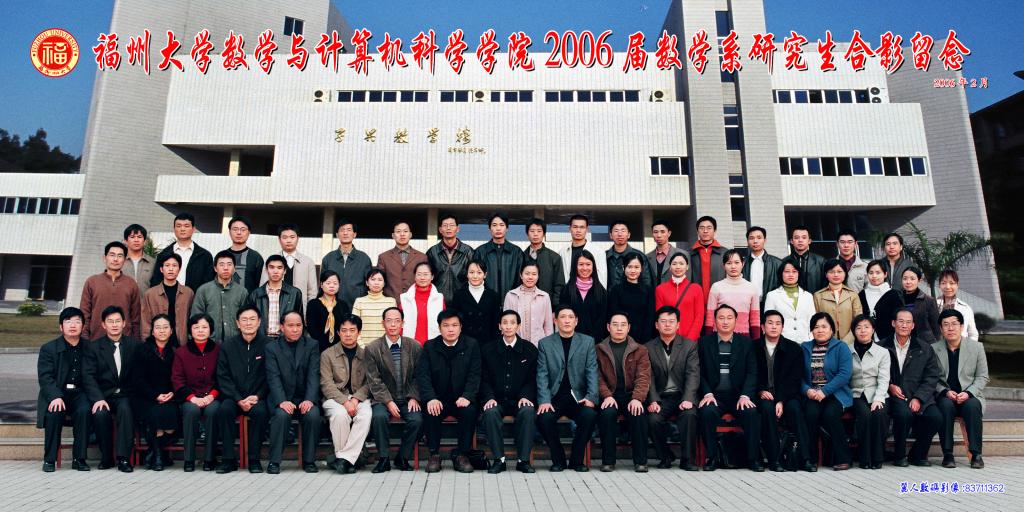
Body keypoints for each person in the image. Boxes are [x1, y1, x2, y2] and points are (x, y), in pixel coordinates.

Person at [697, 305, 762, 472]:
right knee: (706, 412)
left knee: (751, 413)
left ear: (736, 320)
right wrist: (707, 393)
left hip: (738, 395)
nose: (725, 322)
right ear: (714, 321)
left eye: (729, 318)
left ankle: (753, 459)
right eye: (721, 318)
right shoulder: (704, 343)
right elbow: (699, 372)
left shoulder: (746, 343)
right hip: (715, 395)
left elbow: (752, 372)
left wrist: (746, 395)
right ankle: (712, 457)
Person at [417, 310, 482, 473]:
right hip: (438, 398)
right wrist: (430, 398)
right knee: (431, 410)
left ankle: (462, 454)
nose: (450, 329)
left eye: (454, 325)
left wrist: (467, 396)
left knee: (469, 411)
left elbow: (475, 374)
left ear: (461, 327)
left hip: (462, 398)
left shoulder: (471, 345)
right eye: (446, 325)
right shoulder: (430, 346)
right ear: (439, 328)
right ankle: (434, 454)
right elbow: (423, 375)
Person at [536, 305, 599, 472]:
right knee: (544, 418)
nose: (566, 321)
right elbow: (542, 374)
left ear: (576, 321)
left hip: (578, 397)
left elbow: (592, 371)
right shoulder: (545, 344)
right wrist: (544, 400)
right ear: (555, 321)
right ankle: (558, 460)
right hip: (554, 397)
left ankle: (577, 460)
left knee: (589, 416)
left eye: (570, 317)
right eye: (562, 317)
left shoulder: (587, 342)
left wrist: (591, 397)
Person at [877, 308, 942, 466]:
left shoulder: (924, 348)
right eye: (901, 321)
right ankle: (899, 455)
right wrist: (889, 386)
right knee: (903, 414)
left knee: (935, 417)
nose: (904, 325)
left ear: (913, 326)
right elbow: (874, 373)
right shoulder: (881, 346)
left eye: (908, 322)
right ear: (893, 323)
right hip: (894, 395)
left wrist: (919, 398)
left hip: (918, 394)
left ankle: (918, 454)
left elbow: (932, 376)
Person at [479, 310, 539, 474]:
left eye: (512, 323)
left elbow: (533, 378)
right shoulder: (488, 349)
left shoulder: (529, 349)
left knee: (528, 411)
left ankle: (523, 460)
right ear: (499, 326)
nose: (508, 326)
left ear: (518, 326)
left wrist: (526, 396)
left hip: (520, 399)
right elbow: (483, 378)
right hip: (497, 399)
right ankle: (499, 460)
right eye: (504, 323)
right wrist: (489, 397)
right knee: (490, 412)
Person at [365, 307, 423, 473]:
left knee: (417, 420)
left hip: (407, 397)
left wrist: (414, 397)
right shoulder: (373, 348)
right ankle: (383, 459)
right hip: (382, 399)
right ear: (383, 323)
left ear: (402, 323)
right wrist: (388, 401)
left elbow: (419, 376)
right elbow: (374, 380)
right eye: (389, 321)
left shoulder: (414, 346)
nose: (393, 325)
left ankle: (402, 457)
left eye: (397, 321)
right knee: (379, 417)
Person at [84, 306, 140, 472]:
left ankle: (123, 458)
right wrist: (98, 398)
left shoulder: (135, 345)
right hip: (103, 395)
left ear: (124, 323)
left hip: (126, 395)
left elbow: (140, 374)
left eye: (117, 321)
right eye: (110, 321)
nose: (114, 325)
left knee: (126, 409)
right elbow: (88, 376)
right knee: (100, 413)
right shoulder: (94, 347)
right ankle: (107, 456)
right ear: (103, 324)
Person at [214, 305, 269, 474]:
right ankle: (228, 460)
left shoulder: (269, 345)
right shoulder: (227, 346)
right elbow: (222, 376)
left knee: (261, 413)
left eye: (252, 319)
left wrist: (258, 396)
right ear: (238, 323)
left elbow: (272, 376)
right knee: (224, 410)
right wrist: (238, 398)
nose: (248, 323)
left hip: (258, 397)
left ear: (259, 322)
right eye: (244, 320)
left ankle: (254, 459)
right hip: (233, 397)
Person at [754, 310, 811, 472]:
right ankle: (774, 459)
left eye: (778, 323)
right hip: (762, 394)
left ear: (782, 327)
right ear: (763, 327)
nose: (774, 327)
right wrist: (760, 391)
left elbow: (795, 379)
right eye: (770, 323)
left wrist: (781, 400)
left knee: (795, 409)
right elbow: (750, 374)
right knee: (766, 409)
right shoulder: (753, 347)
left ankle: (805, 458)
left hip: (787, 395)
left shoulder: (794, 349)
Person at [37, 308, 93, 472]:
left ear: (83, 326)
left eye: (77, 321)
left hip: (80, 393)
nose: (73, 325)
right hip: (58, 393)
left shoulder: (90, 348)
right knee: (55, 412)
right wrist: (55, 396)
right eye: (68, 322)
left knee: (84, 410)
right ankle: (49, 459)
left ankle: (79, 459)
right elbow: (45, 377)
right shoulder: (48, 348)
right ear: (61, 327)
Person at [265, 311, 321, 474]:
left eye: (298, 325)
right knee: (281, 415)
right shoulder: (272, 348)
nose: (295, 329)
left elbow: (314, 374)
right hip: (283, 397)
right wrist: (281, 401)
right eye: (290, 325)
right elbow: (273, 376)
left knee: (313, 415)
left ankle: (309, 460)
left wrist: (309, 399)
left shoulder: (312, 345)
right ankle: (274, 461)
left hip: (304, 397)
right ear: (282, 327)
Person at [645, 306, 700, 471]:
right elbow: (648, 377)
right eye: (663, 321)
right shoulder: (647, 347)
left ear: (678, 325)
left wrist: (688, 399)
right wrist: (653, 400)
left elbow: (693, 374)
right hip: (662, 397)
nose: (667, 325)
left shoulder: (689, 346)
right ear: (656, 325)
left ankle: (687, 460)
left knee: (689, 415)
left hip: (682, 395)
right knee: (653, 419)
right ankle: (665, 456)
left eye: (671, 321)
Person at [934, 309, 989, 469]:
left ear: (962, 326)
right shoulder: (934, 349)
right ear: (941, 328)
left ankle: (976, 454)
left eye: (954, 324)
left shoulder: (977, 347)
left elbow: (982, 376)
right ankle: (948, 454)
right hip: (946, 396)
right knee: (945, 406)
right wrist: (945, 391)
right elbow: (931, 378)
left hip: (969, 395)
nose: (950, 328)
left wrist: (968, 393)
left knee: (972, 406)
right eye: (946, 325)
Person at [596, 312, 651, 472]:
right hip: (610, 396)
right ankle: (608, 461)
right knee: (607, 414)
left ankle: (641, 461)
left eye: (623, 325)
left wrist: (637, 398)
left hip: (631, 395)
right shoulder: (598, 349)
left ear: (629, 328)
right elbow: (596, 377)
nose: (619, 328)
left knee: (638, 413)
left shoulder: (640, 350)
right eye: (615, 324)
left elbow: (644, 377)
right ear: (608, 327)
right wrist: (607, 396)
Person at [800, 312, 853, 471]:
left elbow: (844, 374)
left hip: (835, 394)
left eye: (824, 326)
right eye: (816, 327)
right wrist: (807, 390)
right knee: (810, 414)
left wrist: (824, 391)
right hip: (812, 394)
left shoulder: (841, 347)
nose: (820, 330)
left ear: (832, 329)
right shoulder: (804, 348)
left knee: (830, 414)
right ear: (811, 330)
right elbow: (797, 375)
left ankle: (843, 458)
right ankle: (811, 459)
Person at [320, 314, 372, 474]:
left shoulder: (366, 355)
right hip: (334, 398)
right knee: (340, 415)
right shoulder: (327, 354)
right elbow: (326, 384)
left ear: (359, 332)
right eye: (344, 330)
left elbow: (370, 383)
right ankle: (351, 460)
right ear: (338, 332)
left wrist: (355, 399)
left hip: (359, 398)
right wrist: (345, 401)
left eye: (352, 330)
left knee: (365, 415)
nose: (348, 334)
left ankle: (343, 460)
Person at [172, 314, 222, 472]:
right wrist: (192, 398)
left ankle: (209, 459)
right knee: (191, 411)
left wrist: (212, 396)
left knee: (213, 411)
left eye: (204, 327)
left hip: (213, 396)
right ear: (190, 330)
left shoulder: (219, 350)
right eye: (196, 327)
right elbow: (177, 379)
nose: (200, 330)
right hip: (190, 397)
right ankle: (189, 459)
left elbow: (223, 377)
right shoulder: (181, 352)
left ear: (211, 330)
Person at [130, 314, 179, 471]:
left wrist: (172, 393)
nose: (162, 331)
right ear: (152, 331)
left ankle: (153, 452)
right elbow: (137, 380)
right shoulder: (142, 350)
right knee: (155, 414)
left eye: (165, 327)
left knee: (171, 414)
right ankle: (159, 456)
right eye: (158, 327)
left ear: (171, 331)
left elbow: (178, 377)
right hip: (145, 397)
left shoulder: (176, 351)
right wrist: (155, 395)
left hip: (169, 397)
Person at [849, 315, 890, 470]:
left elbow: (884, 378)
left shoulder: (882, 352)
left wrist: (879, 398)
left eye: (866, 327)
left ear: (873, 330)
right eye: (858, 328)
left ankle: (877, 457)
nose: (863, 331)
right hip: (855, 393)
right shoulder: (846, 350)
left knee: (879, 414)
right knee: (864, 415)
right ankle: (864, 458)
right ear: (854, 331)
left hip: (877, 393)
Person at [81, 241, 142, 340]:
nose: (115, 259)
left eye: (120, 256)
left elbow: (136, 317)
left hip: (124, 341)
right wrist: (84, 339)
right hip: (96, 339)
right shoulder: (92, 282)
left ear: (125, 260)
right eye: (112, 255)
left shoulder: (131, 284)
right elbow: (85, 314)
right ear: (104, 258)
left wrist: (135, 341)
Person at [191, 250, 249, 343]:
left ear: (234, 268)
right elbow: (195, 318)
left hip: (235, 342)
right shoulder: (203, 290)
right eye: (221, 264)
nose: (225, 268)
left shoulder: (242, 292)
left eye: (229, 264)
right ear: (215, 268)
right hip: (209, 342)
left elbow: (246, 319)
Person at [150, 212, 215, 291]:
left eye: (186, 226)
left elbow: (209, 283)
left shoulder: (204, 256)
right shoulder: (164, 254)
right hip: (167, 296)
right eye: (178, 226)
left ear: (193, 229)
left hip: (195, 297)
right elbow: (156, 280)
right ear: (174, 229)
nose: (182, 229)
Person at [705, 249, 761, 339]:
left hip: (743, 337)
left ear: (743, 264)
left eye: (737, 262)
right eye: (729, 263)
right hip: (719, 337)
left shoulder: (752, 288)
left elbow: (755, 318)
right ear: (724, 266)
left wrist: (756, 341)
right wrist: (708, 340)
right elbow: (710, 318)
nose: (733, 266)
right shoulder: (716, 287)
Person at [261, 224, 319, 311]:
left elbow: (312, 292)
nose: (288, 240)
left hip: (299, 310)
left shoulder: (308, 262)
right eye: (285, 237)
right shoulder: (270, 262)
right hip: (274, 310)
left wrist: (308, 312)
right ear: (279, 239)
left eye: (292, 237)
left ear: (298, 238)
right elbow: (262, 288)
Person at [141, 253, 194, 343]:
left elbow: (192, 319)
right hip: (157, 342)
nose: (171, 269)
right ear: (161, 269)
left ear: (179, 269)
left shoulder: (188, 293)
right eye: (167, 265)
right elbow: (145, 322)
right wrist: (146, 343)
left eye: (174, 265)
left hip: (181, 341)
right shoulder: (150, 294)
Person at [321, 218, 374, 307]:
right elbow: (322, 284)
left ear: (354, 234)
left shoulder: (364, 258)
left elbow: (369, 285)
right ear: (337, 235)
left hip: (357, 307)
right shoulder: (328, 258)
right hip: (332, 307)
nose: (345, 233)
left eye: (349, 230)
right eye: (342, 230)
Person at [248, 255, 303, 339]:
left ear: (285, 271)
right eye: (271, 267)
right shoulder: (255, 294)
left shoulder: (295, 293)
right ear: (266, 270)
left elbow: (299, 320)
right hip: (262, 339)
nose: (275, 271)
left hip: (286, 339)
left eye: (279, 268)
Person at [559, 250, 609, 341]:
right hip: (571, 340)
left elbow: (603, 319)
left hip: (595, 342)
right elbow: (564, 317)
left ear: (593, 266)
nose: (585, 268)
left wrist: (592, 340)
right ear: (575, 266)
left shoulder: (601, 292)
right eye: (581, 264)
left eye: (588, 264)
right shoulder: (566, 291)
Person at [654, 253, 704, 341]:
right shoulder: (660, 289)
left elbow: (699, 316)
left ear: (687, 267)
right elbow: (660, 316)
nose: (678, 267)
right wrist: (668, 337)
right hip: (668, 339)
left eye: (681, 263)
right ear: (670, 267)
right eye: (674, 264)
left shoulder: (696, 288)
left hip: (691, 340)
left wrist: (690, 340)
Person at [812, 259, 863, 345]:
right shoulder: (818, 296)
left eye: (839, 271)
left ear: (845, 274)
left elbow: (858, 321)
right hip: (825, 342)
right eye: (831, 272)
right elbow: (815, 322)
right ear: (826, 274)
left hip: (850, 342)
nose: (836, 275)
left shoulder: (853, 295)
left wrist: (846, 341)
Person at [449, 260, 500, 346]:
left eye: (479, 272)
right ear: (467, 274)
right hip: (465, 342)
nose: (475, 276)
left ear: (485, 275)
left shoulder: (493, 295)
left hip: (487, 343)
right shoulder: (459, 295)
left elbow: (496, 323)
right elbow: (455, 320)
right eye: (471, 272)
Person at [474, 213, 524, 299]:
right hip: (486, 300)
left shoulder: (516, 252)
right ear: (489, 229)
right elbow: (476, 279)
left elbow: (520, 279)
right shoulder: (480, 252)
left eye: (501, 225)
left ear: (507, 228)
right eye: (494, 225)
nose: (498, 228)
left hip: (511, 300)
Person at [763, 258, 815, 342]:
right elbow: (768, 322)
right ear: (781, 274)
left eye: (794, 272)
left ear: (799, 274)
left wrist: (811, 339)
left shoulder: (808, 296)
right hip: (781, 342)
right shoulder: (772, 295)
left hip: (805, 341)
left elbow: (812, 321)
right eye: (787, 271)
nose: (791, 275)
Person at [427, 213, 474, 303]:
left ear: (458, 229)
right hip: (438, 301)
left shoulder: (468, 252)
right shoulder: (432, 252)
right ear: (440, 230)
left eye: (452, 225)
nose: (448, 228)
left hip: (462, 301)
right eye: (445, 225)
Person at [608, 253, 655, 343]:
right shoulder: (616, 290)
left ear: (641, 269)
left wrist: (645, 339)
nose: (633, 270)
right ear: (624, 268)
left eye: (636, 267)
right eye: (629, 267)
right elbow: (613, 315)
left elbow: (650, 316)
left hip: (643, 339)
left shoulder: (648, 290)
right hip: (621, 337)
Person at [503, 261, 554, 345]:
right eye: (527, 274)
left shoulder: (544, 297)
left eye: (534, 274)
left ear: (538, 276)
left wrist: (548, 346)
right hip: (515, 344)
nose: (530, 277)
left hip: (539, 344)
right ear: (521, 275)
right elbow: (505, 323)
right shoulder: (511, 295)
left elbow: (548, 326)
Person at [378, 220, 429, 300]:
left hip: (415, 301)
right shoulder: (384, 257)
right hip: (391, 302)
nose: (402, 234)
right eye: (398, 231)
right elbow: (379, 281)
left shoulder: (422, 257)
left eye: (405, 231)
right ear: (393, 235)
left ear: (410, 234)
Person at [400, 261, 446, 345]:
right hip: (410, 343)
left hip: (433, 344)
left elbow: (443, 322)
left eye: (426, 274)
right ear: (415, 277)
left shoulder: (439, 298)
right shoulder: (405, 298)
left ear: (432, 277)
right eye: (419, 274)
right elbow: (399, 323)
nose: (422, 278)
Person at [305, 270, 352, 352]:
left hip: (340, 348)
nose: (332, 286)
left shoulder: (343, 305)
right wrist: (324, 346)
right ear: (321, 285)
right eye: (328, 283)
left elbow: (345, 327)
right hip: (318, 347)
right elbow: (311, 328)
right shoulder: (313, 304)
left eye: (335, 283)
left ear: (339, 285)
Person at [559, 214, 609, 285]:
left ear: (587, 229)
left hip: (591, 291)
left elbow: (602, 278)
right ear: (569, 229)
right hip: (568, 290)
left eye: (582, 227)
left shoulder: (598, 251)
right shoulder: (563, 251)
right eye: (575, 227)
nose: (578, 230)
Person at [351, 268, 397, 346]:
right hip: (363, 347)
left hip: (385, 348)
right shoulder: (359, 301)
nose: (376, 283)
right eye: (373, 279)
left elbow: (394, 326)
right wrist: (362, 347)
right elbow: (353, 327)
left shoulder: (391, 302)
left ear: (384, 283)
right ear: (367, 283)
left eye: (380, 280)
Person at [523, 217, 565, 300]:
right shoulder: (521, 256)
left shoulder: (554, 257)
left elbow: (559, 285)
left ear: (544, 234)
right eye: (532, 231)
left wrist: (555, 305)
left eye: (539, 231)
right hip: (525, 302)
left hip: (547, 303)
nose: (535, 234)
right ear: (527, 234)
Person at [858, 260, 902, 341]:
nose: (874, 276)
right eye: (871, 273)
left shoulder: (893, 294)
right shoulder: (862, 295)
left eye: (878, 273)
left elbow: (898, 318)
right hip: (866, 339)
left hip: (888, 340)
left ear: (885, 274)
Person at [688, 215, 728, 301]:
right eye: (701, 228)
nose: (705, 231)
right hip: (695, 299)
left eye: (709, 228)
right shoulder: (688, 254)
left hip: (720, 299)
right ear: (697, 231)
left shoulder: (725, 253)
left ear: (715, 231)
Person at [605, 221, 653, 290]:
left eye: (623, 231)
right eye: (616, 231)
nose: (619, 234)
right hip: (609, 296)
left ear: (628, 235)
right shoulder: (604, 256)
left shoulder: (639, 256)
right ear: (610, 235)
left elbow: (646, 281)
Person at [900, 267, 941, 344]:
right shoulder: (896, 299)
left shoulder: (929, 301)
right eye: (905, 279)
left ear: (919, 280)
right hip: (902, 343)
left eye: (912, 279)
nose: (908, 282)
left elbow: (937, 328)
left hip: (925, 343)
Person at [742, 226, 783, 304]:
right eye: (751, 238)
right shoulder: (742, 263)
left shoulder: (777, 263)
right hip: (747, 304)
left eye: (759, 238)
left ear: (765, 240)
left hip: (770, 304)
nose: (755, 241)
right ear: (747, 241)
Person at [937, 270, 980, 342]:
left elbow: (973, 334)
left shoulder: (965, 308)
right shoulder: (932, 305)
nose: (947, 287)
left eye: (951, 283)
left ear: (957, 285)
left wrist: (967, 347)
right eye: (943, 283)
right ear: (939, 285)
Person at [224, 216, 264, 293]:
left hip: (249, 300)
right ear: (229, 232)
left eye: (243, 229)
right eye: (235, 229)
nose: (239, 233)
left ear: (249, 233)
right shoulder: (222, 256)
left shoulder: (256, 257)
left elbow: (261, 286)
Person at [646, 219, 687, 285]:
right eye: (655, 232)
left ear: (669, 233)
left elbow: (688, 280)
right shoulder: (647, 257)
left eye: (662, 232)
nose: (659, 235)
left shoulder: (683, 254)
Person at [788, 226, 826, 294]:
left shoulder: (820, 261)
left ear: (809, 241)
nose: (800, 240)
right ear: (791, 241)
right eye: (796, 238)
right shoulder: (784, 262)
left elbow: (825, 284)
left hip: (815, 298)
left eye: (804, 237)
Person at [123, 224, 154, 297]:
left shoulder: (153, 262)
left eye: (139, 237)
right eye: (132, 237)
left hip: (146, 302)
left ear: (145, 241)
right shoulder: (119, 261)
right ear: (125, 241)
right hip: (123, 302)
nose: (136, 240)